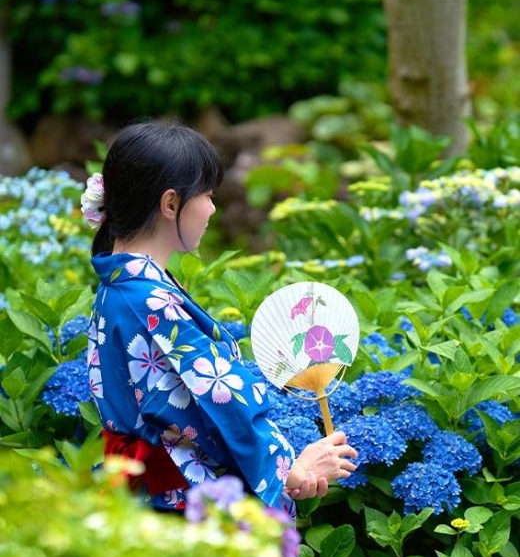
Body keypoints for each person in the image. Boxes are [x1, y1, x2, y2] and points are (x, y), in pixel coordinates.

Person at [82, 119, 358, 516]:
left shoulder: (124, 286)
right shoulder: (147, 300)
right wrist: (291, 470)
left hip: (154, 495)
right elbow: (217, 400)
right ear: (171, 204)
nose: (212, 208)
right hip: (187, 506)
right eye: (207, 195)